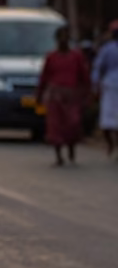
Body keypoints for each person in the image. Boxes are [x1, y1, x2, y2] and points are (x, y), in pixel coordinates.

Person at [36, 27, 91, 167]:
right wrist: (39, 95)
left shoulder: (76, 57)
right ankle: (59, 155)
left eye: (66, 38)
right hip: (55, 96)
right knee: (55, 126)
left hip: (72, 96)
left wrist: (87, 95)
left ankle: (72, 149)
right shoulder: (51, 57)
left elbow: (84, 77)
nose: (64, 41)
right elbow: (44, 78)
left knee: (73, 123)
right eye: (61, 38)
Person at [91, 21, 118, 155]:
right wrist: (95, 86)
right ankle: (111, 144)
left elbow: (97, 68)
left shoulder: (107, 48)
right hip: (110, 87)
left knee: (110, 119)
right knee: (108, 120)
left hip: (110, 85)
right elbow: (98, 68)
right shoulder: (108, 49)